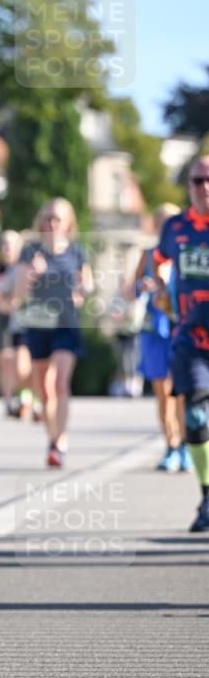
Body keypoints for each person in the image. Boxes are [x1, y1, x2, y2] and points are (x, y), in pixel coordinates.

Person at [153, 156, 209, 531]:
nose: (204, 186)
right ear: (188, 185)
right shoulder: (176, 227)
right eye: (197, 180)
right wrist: (161, 290)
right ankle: (207, 497)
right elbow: (155, 260)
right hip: (191, 336)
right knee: (195, 416)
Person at [15, 198, 93, 468]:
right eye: (48, 218)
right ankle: (53, 437)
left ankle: (58, 442)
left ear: (68, 223)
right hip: (38, 324)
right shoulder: (30, 251)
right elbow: (19, 292)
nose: (52, 223)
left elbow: (87, 285)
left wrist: (80, 291)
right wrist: (33, 276)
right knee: (44, 390)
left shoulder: (77, 251)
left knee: (59, 383)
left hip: (67, 323)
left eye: (57, 219)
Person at [128, 203, 191, 471]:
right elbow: (132, 289)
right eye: (161, 222)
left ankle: (187, 445)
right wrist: (143, 286)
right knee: (162, 392)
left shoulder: (187, 249)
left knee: (183, 391)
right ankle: (171, 446)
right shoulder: (149, 254)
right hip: (155, 329)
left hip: (181, 327)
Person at [0, 229, 34, 418]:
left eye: (10, 244)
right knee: (4, 362)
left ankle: (26, 397)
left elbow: (24, 295)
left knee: (22, 363)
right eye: (3, 244)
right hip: (0, 318)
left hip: (20, 319)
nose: (6, 248)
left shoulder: (23, 268)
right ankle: (9, 402)